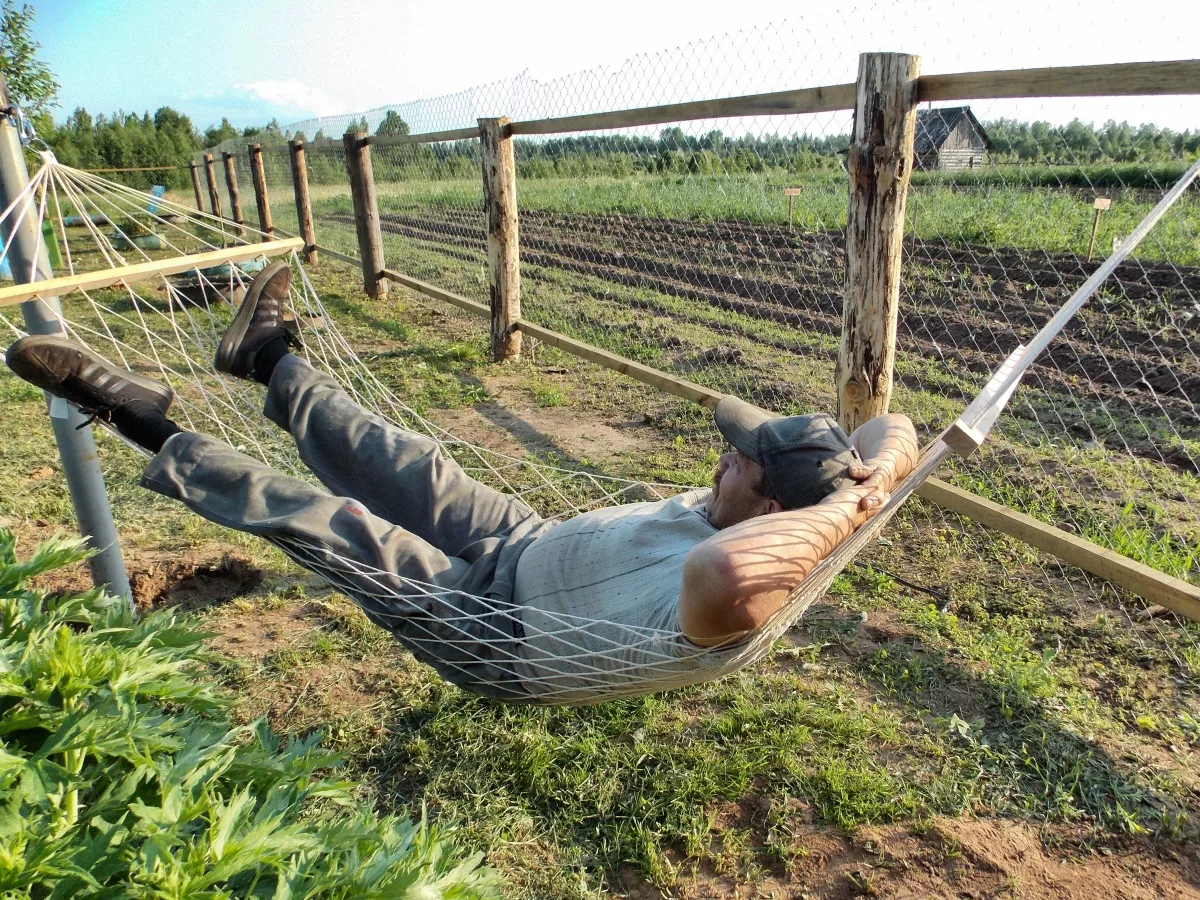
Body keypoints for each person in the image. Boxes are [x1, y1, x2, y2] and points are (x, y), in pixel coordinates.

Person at [5, 262, 918, 702]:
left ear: (767, 507)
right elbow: (893, 429)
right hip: (528, 543)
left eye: (739, 459)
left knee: (326, 519)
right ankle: (268, 359)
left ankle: (135, 416)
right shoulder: (817, 506)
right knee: (406, 461)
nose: (719, 454)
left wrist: (846, 506)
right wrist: (868, 487)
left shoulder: (738, 599)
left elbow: (723, 578)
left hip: (497, 631)